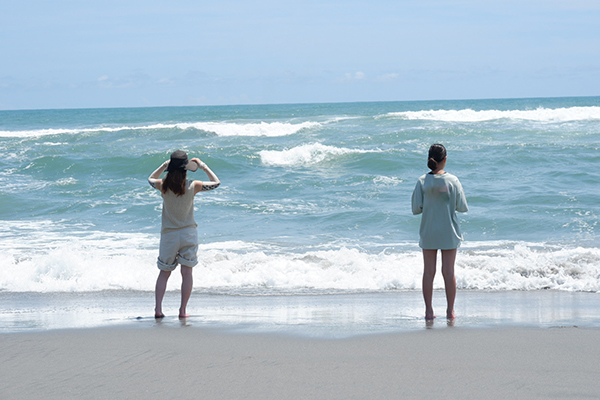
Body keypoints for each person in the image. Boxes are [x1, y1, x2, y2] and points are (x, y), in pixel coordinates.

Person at [148, 150, 220, 319]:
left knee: (164, 273)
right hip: (188, 234)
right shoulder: (192, 185)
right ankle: (182, 311)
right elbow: (216, 183)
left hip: (169, 236)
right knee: (187, 273)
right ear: (186, 168)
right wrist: (203, 166)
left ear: (170, 168)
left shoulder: (162, 185)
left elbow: (150, 179)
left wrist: (164, 166)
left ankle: (158, 309)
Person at [411, 144, 468, 321]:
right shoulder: (453, 181)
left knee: (429, 272)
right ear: (445, 160)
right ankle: (450, 311)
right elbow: (462, 207)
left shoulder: (422, 181)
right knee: (448, 272)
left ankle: (429, 311)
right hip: (448, 231)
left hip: (428, 231)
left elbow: (416, 209)